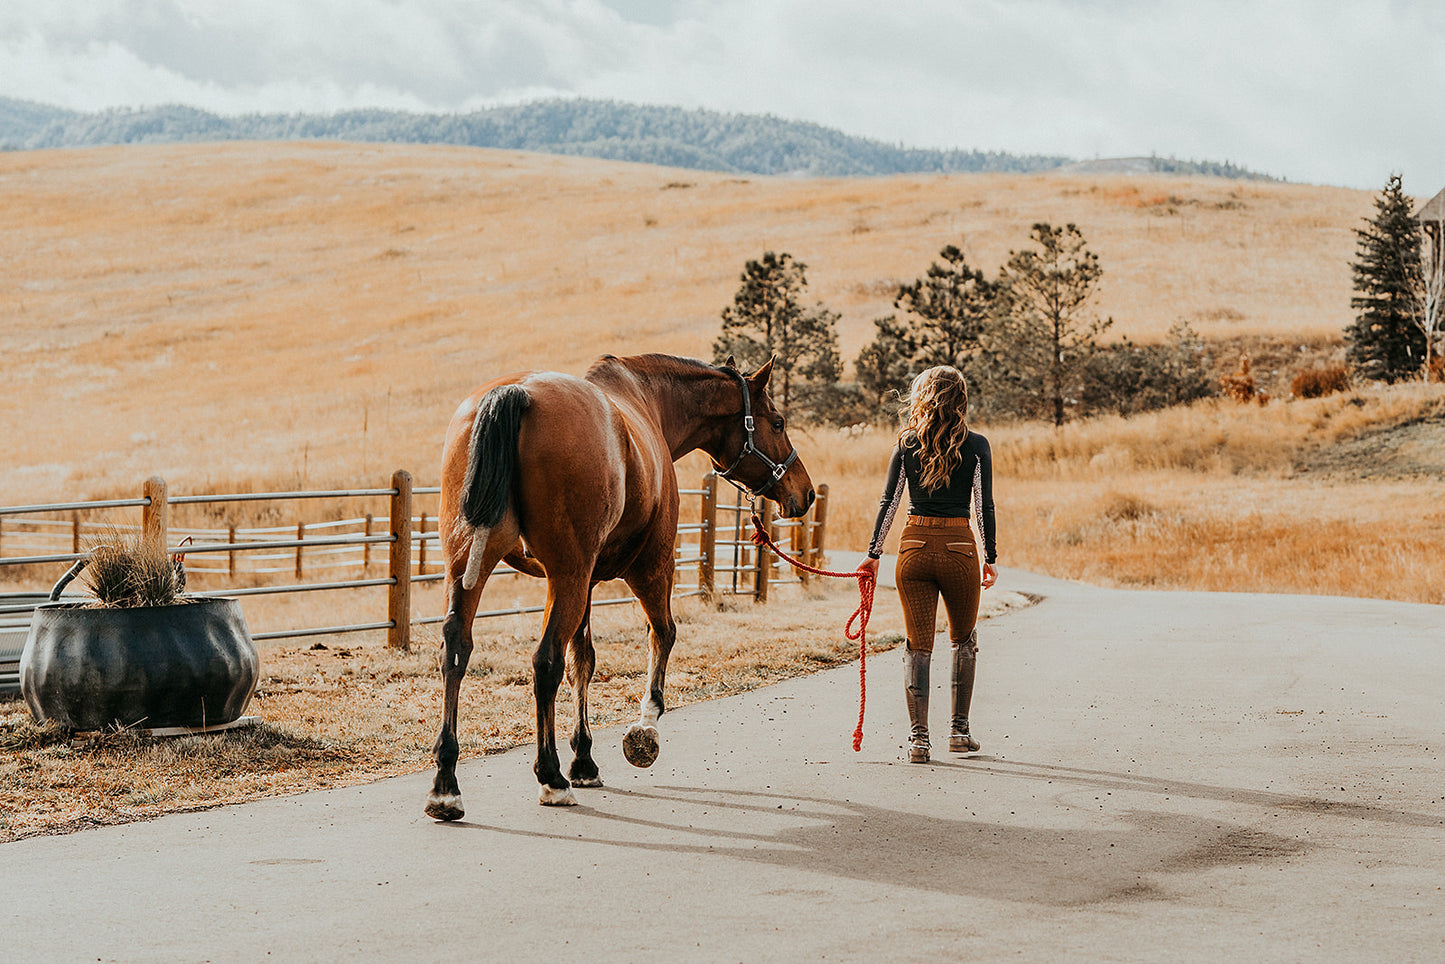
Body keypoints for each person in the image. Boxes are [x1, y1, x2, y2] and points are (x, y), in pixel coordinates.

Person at [860, 366, 997, 763]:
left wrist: (873, 553)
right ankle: (959, 732)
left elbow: (890, 502)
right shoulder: (977, 446)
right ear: (961, 400)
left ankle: (919, 740)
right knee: (963, 640)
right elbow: (982, 505)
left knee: (918, 646)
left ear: (921, 397)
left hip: (914, 548)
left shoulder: (905, 444)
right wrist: (990, 557)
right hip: (959, 550)